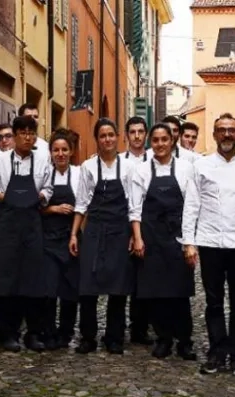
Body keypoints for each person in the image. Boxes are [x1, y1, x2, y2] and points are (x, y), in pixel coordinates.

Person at [182, 113, 235, 377]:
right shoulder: (202, 166)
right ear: (215, 134)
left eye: (232, 130)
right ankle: (217, 352)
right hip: (209, 243)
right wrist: (188, 242)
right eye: (222, 130)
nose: (227, 135)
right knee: (214, 302)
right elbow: (192, 205)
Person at [130, 124, 197, 360]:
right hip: (151, 238)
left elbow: (191, 206)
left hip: (178, 237)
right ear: (151, 143)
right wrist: (137, 238)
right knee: (156, 293)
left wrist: (190, 242)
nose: (160, 144)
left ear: (172, 142)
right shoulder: (141, 171)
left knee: (180, 293)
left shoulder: (187, 169)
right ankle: (163, 338)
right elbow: (135, 209)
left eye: (164, 140)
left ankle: (185, 341)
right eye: (155, 140)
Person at [0, 115, 53, 353]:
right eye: (23, 132)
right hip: (7, 226)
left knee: (34, 280)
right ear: (14, 136)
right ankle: (9, 333)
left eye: (31, 133)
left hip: (33, 226)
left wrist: (40, 197)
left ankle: (33, 333)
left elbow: (48, 187)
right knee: (7, 281)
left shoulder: (43, 160)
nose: (27, 137)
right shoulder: (1, 161)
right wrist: (7, 197)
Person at [69, 118, 136, 354]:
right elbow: (82, 203)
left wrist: (135, 235)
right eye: (102, 136)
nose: (107, 139)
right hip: (95, 231)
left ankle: (114, 337)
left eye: (110, 135)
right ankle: (88, 336)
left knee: (118, 287)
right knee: (87, 285)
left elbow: (133, 205)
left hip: (119, 231)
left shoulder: (128, 168)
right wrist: (74, 234)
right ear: (97, 139)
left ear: (117, 137)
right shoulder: (88, 167)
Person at [42, 129, 81, 350]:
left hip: (71, 237)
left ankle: (66, 332)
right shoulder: (45, 175)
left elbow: (83, 205)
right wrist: (54, 209)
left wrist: (75, 233)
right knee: (48, 288)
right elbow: (36, 208)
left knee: (69, 288)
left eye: (64, 149)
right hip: (48, 239)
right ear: (50, 153)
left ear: (71, 151)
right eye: (56, 150)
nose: (60, 154)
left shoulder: (78, 174)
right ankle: (49, 332)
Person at [120, 116, 153, 346]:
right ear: (127, 135)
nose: (137, 136)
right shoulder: (119, 161)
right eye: (133, 132)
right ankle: (118, 326)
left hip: (148, 224)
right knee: (122, 278)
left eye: (141, 131)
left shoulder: (155, 160)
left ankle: (140, 327)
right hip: (122, 224)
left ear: (146, 134)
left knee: (145, 278)